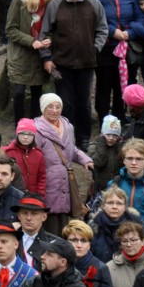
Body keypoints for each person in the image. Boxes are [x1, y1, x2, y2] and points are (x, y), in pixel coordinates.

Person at [38, 0, 109, 149]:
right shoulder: (55, 5)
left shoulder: (93, 3)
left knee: (84, 102)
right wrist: (46, 58)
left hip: (87, 63)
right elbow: (44, 33)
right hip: (61, 64)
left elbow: (103, 28)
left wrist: (95, 48)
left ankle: (83, 138)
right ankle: (65, 136)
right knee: (64, 102)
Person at [35, 93, 95, 233]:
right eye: (50, 107)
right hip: (48, 181)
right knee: (49, 217)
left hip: (65, 182)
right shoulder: (37, 130)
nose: (54, 110)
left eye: (58, 107)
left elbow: (71, 148)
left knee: (63, 218)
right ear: (43, 109)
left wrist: (85, 159)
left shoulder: (68, 127)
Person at [8, 0, 57, 120]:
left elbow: (54, 29)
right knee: (18, 93)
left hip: (40, 56)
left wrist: (50, 39)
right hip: (21, 55)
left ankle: (35, 128)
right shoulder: (19, 1)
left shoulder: (51, 4)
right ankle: (19, 127)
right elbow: (10, 30)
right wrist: (31, 41)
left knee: (37, 94)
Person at [63, 220, 115, 287]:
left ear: (89, 245)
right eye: (74, 240)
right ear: (65, 242)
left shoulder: (101, 268)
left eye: (83, 241)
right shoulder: (58, 265)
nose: (79, 245)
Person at [89, 186, 139, 264]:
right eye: (110, 203)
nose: (114, 207)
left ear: (125, 207)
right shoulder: (94, 226)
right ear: (103, 206)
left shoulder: (136, 225)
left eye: (119, 203)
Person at [4, 118, 47, 196]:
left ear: (34, 136)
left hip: (33, 196)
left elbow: (42, 177)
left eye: (29, 134)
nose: (25, 137)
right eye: (22, 133)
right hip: (13, 195)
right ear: (17, 134)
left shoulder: (38, 154)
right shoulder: (8, 152)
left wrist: (40, 195)